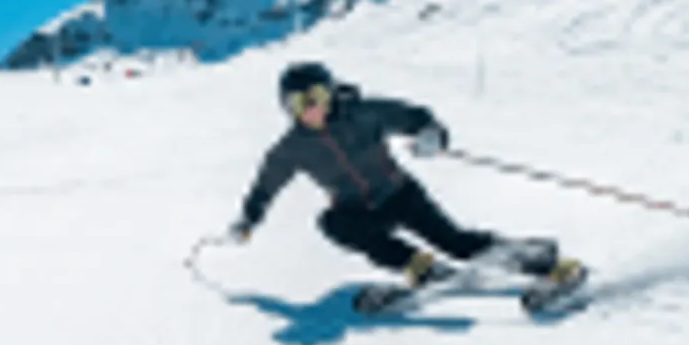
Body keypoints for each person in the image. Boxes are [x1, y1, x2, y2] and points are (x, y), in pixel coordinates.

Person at [228, 61, 580, 303]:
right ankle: (419, 268)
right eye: (299, 102)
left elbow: (416, 118)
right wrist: (248, 219)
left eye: (317, 95)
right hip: (359, 211)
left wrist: (432, 135)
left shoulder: (364, 112)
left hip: (400, 195)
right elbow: (265, 188)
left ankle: (547, 264)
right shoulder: (292, 149)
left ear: (331, 92)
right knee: (331, 223)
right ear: (286, 108)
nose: (312, 108)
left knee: (457, 243)